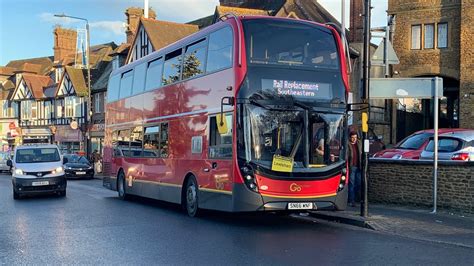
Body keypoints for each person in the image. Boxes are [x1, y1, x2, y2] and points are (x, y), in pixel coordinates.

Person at [347, 131, 362, 207]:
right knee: (352, 184)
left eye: (355, 137)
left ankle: (356, 198)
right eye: (353, 137)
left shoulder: (359, 143)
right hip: (351, 166)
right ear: (350, 137)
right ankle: (351, 200)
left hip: (359, 166)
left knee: (359, 183)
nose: (354, 139)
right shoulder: (347, 144)